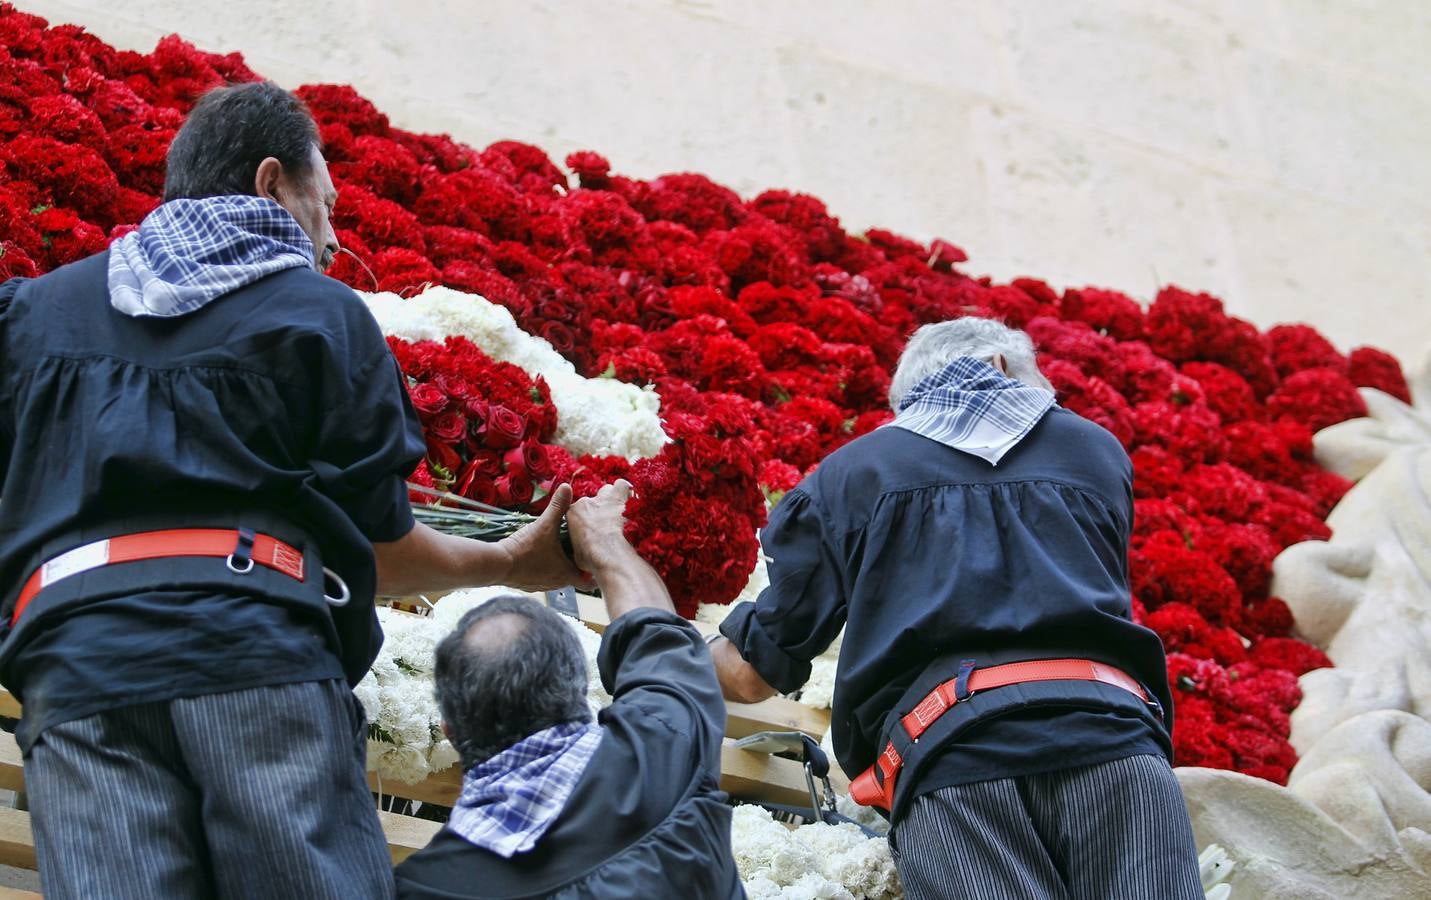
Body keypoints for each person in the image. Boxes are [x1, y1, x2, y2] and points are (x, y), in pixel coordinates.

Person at [0, 81, 583, 899]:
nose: (335, 239)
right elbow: (382, 552)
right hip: (249, 656)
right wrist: (510, 563)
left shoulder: (32, 315)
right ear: (272, 184)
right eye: (328, 205)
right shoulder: (318, 315)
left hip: (75, 668)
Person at [709, 317, 1204, 899]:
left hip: (959, 765)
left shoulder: (855, 473)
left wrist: (651, 632)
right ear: (998, 366)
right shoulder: (1096, 452)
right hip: (1121, 756)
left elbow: (749, 673)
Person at [395, 480, 742, 899]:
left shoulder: (426, 887)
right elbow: (657, 636)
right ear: (579, 688)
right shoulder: (660, 749)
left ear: (450, 730)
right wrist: (604, 541)